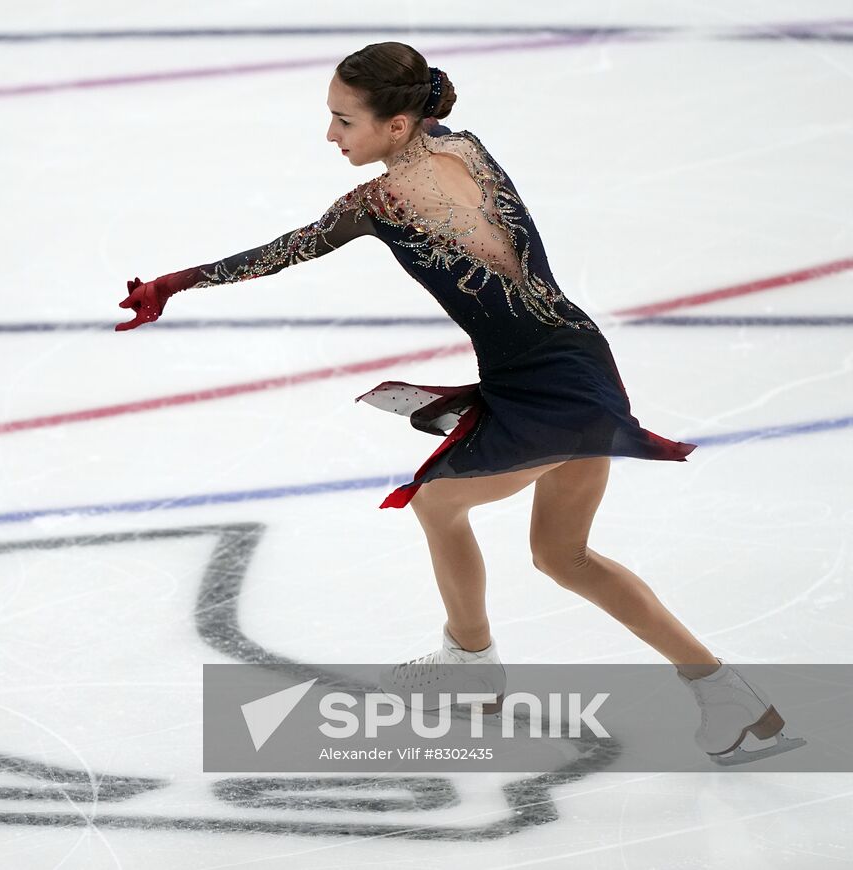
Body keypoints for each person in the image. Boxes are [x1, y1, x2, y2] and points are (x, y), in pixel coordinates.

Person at [114, 41, 803, 766]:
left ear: (398, 125)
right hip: (576, 358)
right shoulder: (465, 147)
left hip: (546, 385)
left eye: (344, 121)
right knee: (563, 556)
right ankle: (726, 697)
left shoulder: (382, 201)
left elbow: (289, 249)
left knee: (438, 504)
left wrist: (177, 281)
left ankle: (473, 664)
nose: (331, 136)